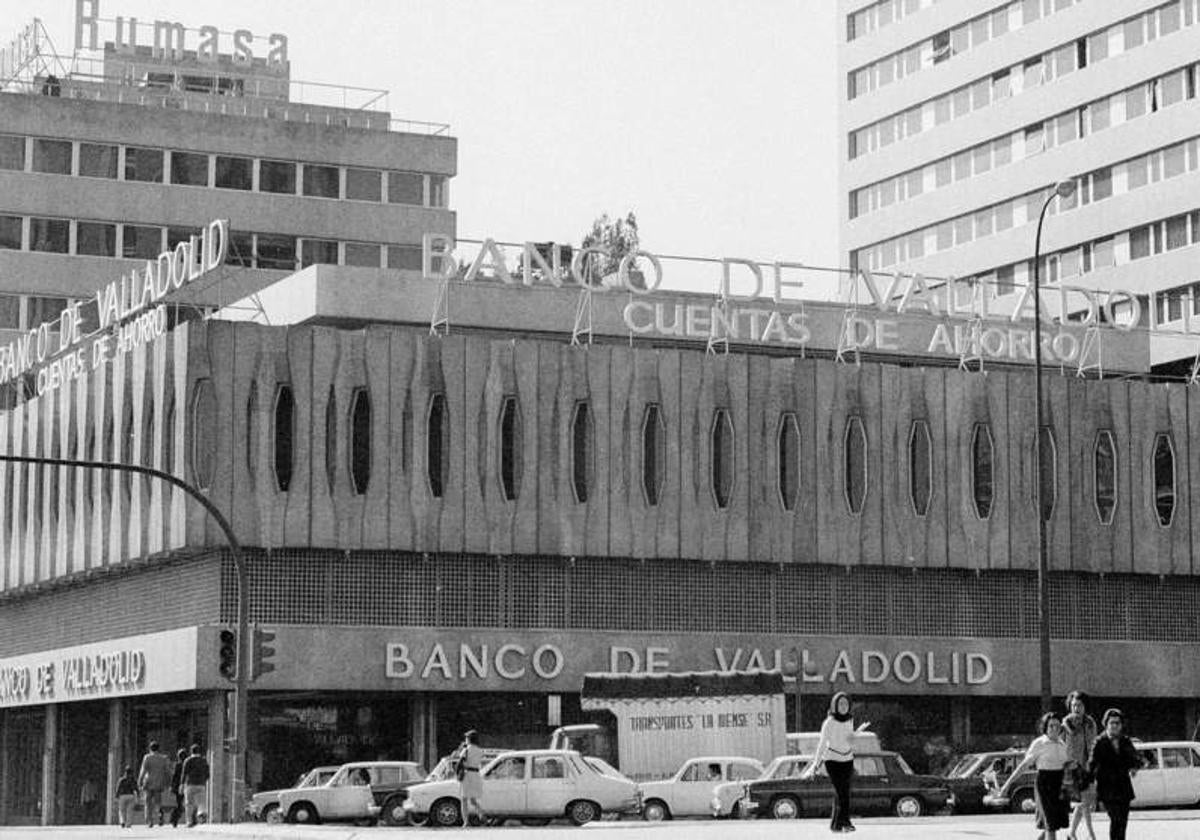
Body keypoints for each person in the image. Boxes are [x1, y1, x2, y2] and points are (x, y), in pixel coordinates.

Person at [1003, 712, 1071, 840]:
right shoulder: (1039, 743)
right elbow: (1024, 765)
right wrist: (1007, 785)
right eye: (1051, 726)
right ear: (1045, 727)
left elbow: (1067, 766)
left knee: (1052, 824)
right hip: (1044, 784)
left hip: (1060, 785)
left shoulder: (1063, 744)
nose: (1054, 729)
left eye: (1057, 726)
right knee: (1050, 824)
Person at [800, 691, 856, 833]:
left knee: (844, 792)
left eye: (846, 704)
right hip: (832, 760)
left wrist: (854, 737)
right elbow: (822, 744)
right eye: (841, 703)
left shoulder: (850, 719)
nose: (844, 706)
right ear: (835, 705)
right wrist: (815, 764)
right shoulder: (829, 722)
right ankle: (846, 822)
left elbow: (848, 740)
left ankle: (836, 824)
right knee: (841, 791)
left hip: (848, 759)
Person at [1089, 709, 1141, 840]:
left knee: (1122, 822)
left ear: (1121, 725)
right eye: (1111, 723)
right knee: (1116, 818)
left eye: (1117, 723)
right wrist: (1089, 784)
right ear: (1106, 724)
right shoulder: (1099, 742)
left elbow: (1135, 758)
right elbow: (1092, 764)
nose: (1114, 726)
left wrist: (1134, 767)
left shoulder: (1125, 741)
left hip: (1123, 787)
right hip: (1107, 788)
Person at [1062, 691, 1099, 840]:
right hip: (1072, 767)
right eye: (1073, 705)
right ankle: (1091, 834)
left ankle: (1072, 833)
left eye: (1079, 705)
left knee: (1084, 802)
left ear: (1085, 706)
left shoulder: (1090, 722)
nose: (1076, 708)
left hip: (1087, 766)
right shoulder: (1066, 722)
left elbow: (1093, 743)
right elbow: (1064, 741)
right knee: (1083, 801)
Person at [138, 740, 172, 827]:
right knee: (158, 801)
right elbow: (168, 772)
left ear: (150, 748)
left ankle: (149, 820)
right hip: (159, 782)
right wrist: (168, 782)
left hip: (148, 782)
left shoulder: (147, 757)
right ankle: (160, 813)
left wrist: (140, 781)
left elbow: (143, 770)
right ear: (158, 748)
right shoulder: (163, 758)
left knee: (148, 802)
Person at [456, 729, 486, 827]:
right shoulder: (480, 750)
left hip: (467, 774)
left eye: (466, 738)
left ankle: (466, 821)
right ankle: (481, 812)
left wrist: (457, 773)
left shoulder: (466, 750)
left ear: (469, 739)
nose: (465, 739)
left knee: (463, 799)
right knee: (473, 799)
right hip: (476, 774)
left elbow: (460, 762)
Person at [180, 744, 210, 827]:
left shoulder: (188, 760)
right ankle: (200, 813)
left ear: (191, 751)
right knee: (201, 802)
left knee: (189, 803)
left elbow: (184, 773)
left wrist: (182, 785)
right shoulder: (204, 761)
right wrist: (204, 780)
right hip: (201, 784)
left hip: (190, 784)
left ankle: (189, 821)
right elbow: (208, 774)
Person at [168, 748, 188, 828]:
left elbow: (174, 776)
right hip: (185, 785)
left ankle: (174, 818)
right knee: (185, 804)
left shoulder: (178, 765)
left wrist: (172, 786)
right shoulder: (186, 764)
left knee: (179, 804)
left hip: (178, 786)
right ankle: (174, 818)